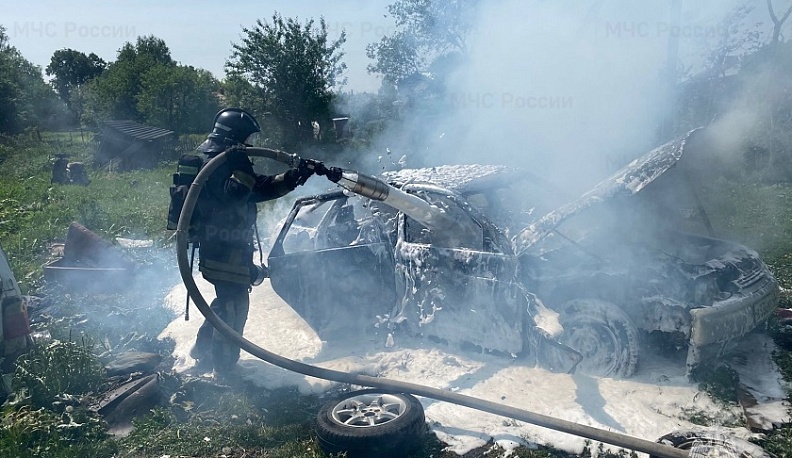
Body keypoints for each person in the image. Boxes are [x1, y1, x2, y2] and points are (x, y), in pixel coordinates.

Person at [189, 107, 315, 375]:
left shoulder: (226, 164)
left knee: (226, 302)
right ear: (235, 137)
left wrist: (293, 178)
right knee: (234, 307)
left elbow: (258, 189)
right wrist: (241, 165)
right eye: (248, 139)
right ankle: (224, 371)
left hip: (228, 249)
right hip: (222, 251)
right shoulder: (215, 166)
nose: (250, 145)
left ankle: (202, 351)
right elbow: (235, 195)